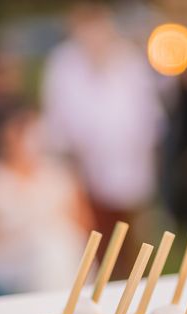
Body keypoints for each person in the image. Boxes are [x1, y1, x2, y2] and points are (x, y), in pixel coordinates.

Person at [41, 3, 165, 274]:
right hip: (81, 167)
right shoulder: (64, 63)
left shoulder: (128, 61)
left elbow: (146, 112)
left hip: (127, 165)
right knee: (89, 240)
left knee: (126, 239)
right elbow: (58, 117)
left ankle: (124, 285)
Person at [0, 106, 93, 296]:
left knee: (55, 248)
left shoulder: (58, 174)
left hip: (62, 255)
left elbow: (84, 224)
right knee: (47, 251)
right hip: (8, 262)